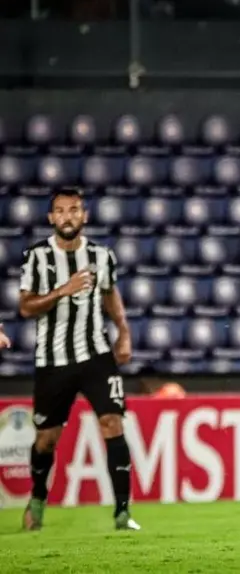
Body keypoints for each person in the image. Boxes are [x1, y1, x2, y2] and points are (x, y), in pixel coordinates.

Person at [18, 187, 139, 531]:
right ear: (51, 218)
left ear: (84, 216)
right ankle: (38, 498)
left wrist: (124, 332)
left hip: (96, 355)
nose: (68, 216)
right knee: (46, 439)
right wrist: (62, 291)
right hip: (53, 360)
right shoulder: (36, 257)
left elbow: (110, 294)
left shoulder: (101, 256)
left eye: (74, 210)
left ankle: (123, 512)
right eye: (61, 211)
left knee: (112, 423)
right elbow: (25, 307)